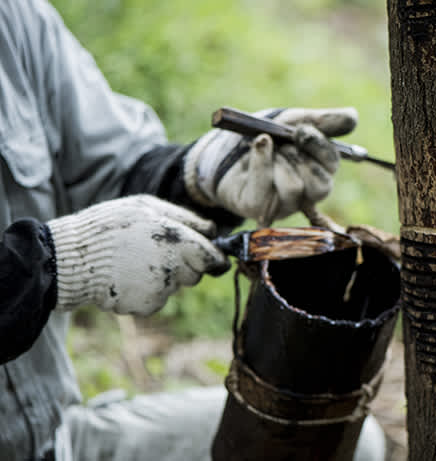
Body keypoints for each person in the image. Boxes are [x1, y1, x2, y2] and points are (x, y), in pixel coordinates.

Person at [0, 1, 386, 460]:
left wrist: (200, 177)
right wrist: (52, 265)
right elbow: (57, 258)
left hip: (60, 442)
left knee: (347, 446)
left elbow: (113, 170)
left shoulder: (15, 19)